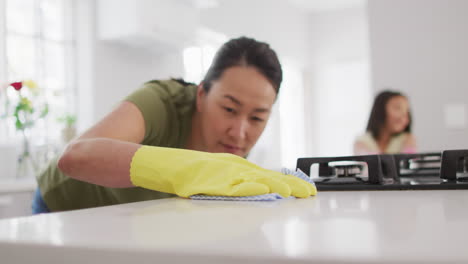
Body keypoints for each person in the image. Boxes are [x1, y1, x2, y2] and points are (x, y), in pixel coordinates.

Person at [32, 36, 316, 214]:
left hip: (131, 217)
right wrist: (194, 167)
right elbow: (76, 157)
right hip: (64, 207)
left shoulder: (232, 143)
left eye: (257, 118)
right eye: (229, 109)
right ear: (202, 94)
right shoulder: (162, 100)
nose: (239, 132)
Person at [353, 90, 417, 155]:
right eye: (397, 108)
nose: (403, 116)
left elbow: (407, 160)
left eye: (406, 112)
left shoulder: (407, 139)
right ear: (380, 110)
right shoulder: (362, 141)